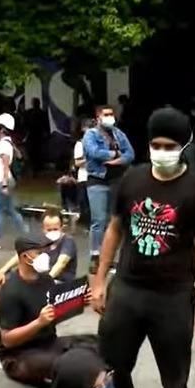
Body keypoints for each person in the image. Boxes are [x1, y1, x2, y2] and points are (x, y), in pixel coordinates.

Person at [91, 107, 195, 388]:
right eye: (156, 143)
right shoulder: (133, 180)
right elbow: (115, 228)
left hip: (173, 298)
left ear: (183, 146)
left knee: (174, 386)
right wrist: (100, 279)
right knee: (110, 367)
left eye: (169, 145)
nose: (161, 150)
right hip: (128, 290)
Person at [0, 233, 96, 388]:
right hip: (18, 356)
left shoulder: (46, 280)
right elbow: (7, 340)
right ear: (24, 257)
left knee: (97, 343)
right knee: (71, 364)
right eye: (39, 252)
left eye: (45, 251)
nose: (45, 256)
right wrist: (38, 323)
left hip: (48, 343)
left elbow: (55, 312)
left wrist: (79, 301)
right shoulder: (10, 292)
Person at [83, 104, 134, 273]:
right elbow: (94, 152)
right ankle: (95, 256)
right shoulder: (90, 134)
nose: (110, 117)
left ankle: (109, 256)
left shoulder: (119, 134)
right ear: (98, 117)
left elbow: (131, 154)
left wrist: (117, 160)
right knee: (98, 220)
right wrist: (117, 154)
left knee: (115, 220)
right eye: (106, 114)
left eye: (111, 114)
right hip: (97, 180)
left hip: (117, 181)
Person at [0, 207, 78, 284]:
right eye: (49, 229)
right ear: (43, 229)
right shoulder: (41, 240)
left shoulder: (68, 242)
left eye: (55, 229)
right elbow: (23, 255)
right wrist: (3, 270)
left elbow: (61, 264)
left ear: (62, 227)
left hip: (60, 282)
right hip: (40, 278)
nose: (52, 232)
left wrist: (44, 283)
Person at [0, 113, 27, 249]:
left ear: (1, 128)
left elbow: (5, 165)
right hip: (2, 181)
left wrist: (3, 184)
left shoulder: (4, 145)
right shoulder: (7, 144)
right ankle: (27, 236)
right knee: (11, 211)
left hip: (3, 181)